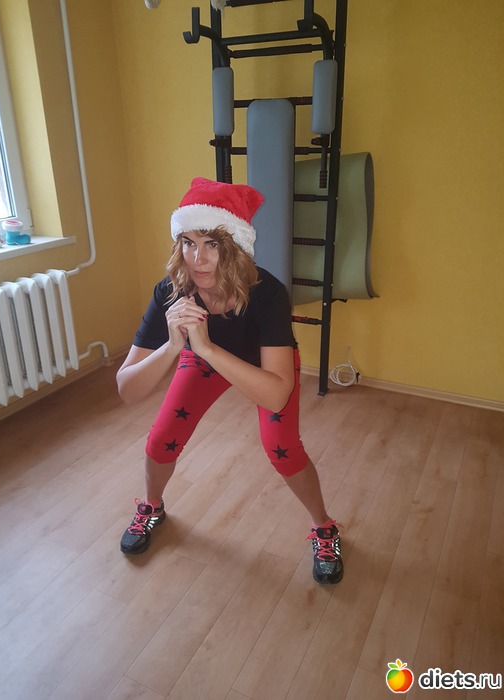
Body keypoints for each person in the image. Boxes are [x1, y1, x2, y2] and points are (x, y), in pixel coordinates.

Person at [117, 177, 343, 585]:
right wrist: (172, 348)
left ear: (235, 247)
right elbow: (127, 390)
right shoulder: (170, 291)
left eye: (212, 244)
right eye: (188, 243)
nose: (197, 259)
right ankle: (152, 505)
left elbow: (275, 396)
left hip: (262, 366)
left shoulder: (267, 293)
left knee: (283, 450)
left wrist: (205, 348)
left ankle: (324, 526)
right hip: (200, 359)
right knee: (162, 437)